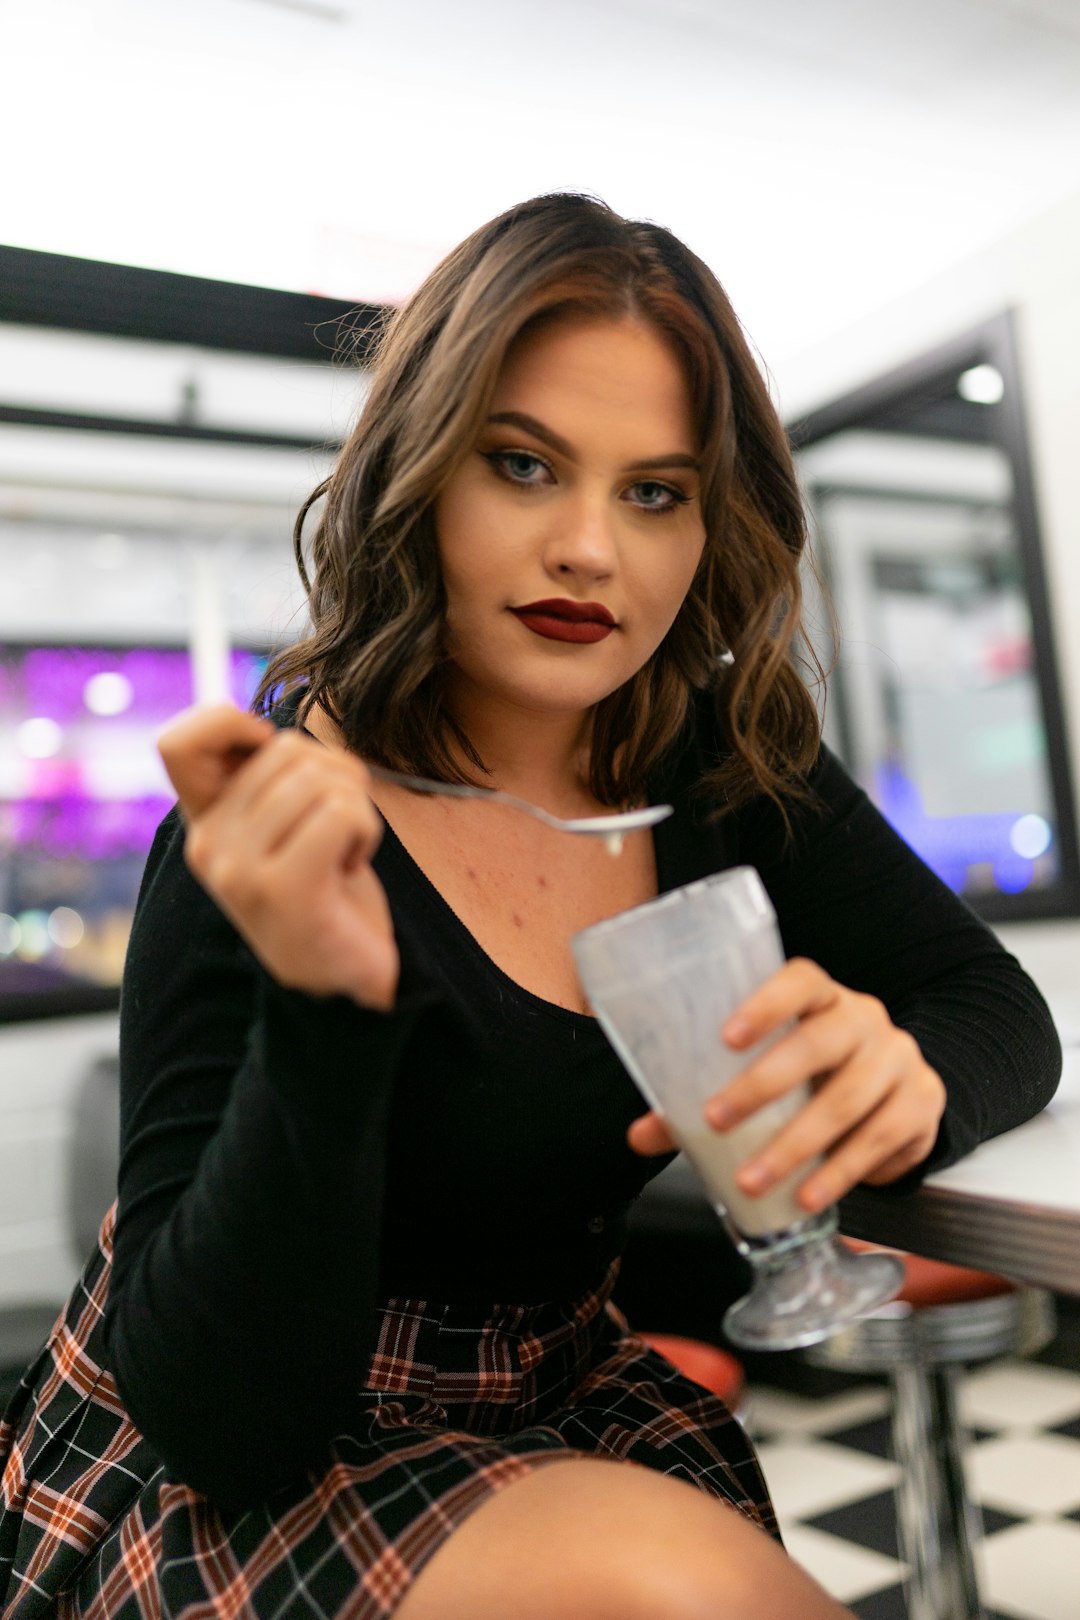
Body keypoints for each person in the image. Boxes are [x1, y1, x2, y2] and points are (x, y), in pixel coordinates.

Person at [0, 193, 1061, 1620]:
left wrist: (904, 1074)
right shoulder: (281, 826)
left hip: (560, 1400)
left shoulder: (719, 766)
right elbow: (225, 1417)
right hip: (249, 1457)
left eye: (655, 491)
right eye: (522, 465)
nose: (589, 551)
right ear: (419, 476)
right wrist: (326, 1007)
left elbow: (996, 1006)